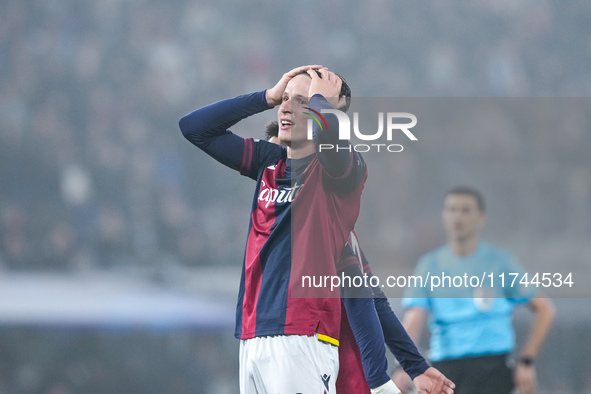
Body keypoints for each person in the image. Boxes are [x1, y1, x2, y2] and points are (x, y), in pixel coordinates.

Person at [180, 65, 398, 393]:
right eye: (284, 98)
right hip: (252, 335)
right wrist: (265, 96)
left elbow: (331, 141)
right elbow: (195, 128)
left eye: (301, 102)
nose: (285, 107)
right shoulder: (270, 162)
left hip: (304, 337)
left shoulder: (342, 169)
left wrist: (323, 101)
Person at [263, 122, 455, 394]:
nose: (278, 168)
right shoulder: (271, 236)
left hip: (336, 377)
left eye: (287, 154)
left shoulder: (332, 235)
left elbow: (373, 302)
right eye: (272, 159)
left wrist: (407, 369)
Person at [393, 186, 555, 394]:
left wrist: (526, 361)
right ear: (444, 216)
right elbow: (414, 319)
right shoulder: (429, 267)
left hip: (494, 372)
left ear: (481, 218)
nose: (457, 216)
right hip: (446, 371)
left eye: (465, 210)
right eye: (452, 209)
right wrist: (403, 366)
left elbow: (544, 309)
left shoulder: (500, 263)